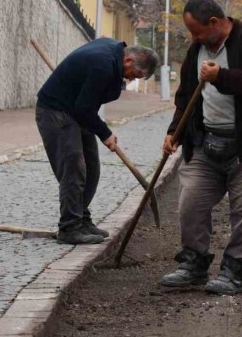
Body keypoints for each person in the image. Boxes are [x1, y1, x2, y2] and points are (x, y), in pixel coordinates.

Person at [160, 0, 242, 296]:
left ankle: (233, 270)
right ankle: (193, 264)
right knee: (190, 201)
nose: (194, 38)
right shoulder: (197, 50)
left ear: (215, 23)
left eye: (197, 31)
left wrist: (220, 77)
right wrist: (174, 131)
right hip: (205, 142)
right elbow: (186, 95)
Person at [36, 39, 159, 244]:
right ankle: (69, 228)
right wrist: (105, 133)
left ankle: (82, 218)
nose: (130, 80)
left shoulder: (113, 55)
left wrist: (101, 130)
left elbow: (85, 105)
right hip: (55, 112)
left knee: (92, 166)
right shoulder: (102, 64)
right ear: (128, 59)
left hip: (75, 110)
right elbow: (85, 108)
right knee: (74, 168)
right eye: (134, 75)